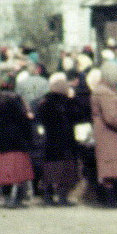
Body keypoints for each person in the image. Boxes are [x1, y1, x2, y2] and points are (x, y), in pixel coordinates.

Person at [0, 80, 37, 208]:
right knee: (18, 173)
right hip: (17, 142)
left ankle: (6, 197)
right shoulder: (17, 99)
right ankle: (16, 199)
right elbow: (24, 119)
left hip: (1, 142)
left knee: (4, 172)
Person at [88, 60, 117, 205]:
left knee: (112, 167)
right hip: (110, 134)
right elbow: (111, 117)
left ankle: (113, 198)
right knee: (112, 167)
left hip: (109, 133)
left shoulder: (104, 91)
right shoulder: (104, 93)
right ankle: (112, 200)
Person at [35, 76, 82, 206]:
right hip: (65, 141)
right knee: (65, 169)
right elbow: (78, 115)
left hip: (49, 141)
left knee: (49, 169)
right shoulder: (67, 102)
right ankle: (62, 197)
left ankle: (48, 196)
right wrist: (74, 98)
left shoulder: (44, 102)